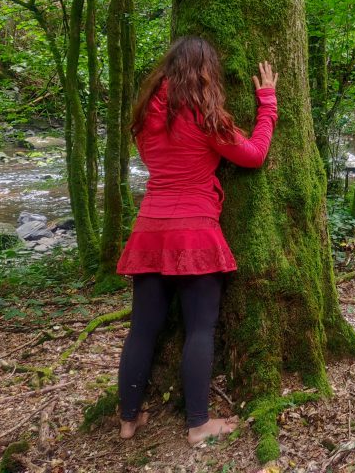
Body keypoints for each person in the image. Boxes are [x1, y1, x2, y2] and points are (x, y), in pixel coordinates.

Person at [114, 36, 278, 445]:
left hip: (150, 230)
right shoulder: (207, 118)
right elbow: (255, 155)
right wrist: (268, 103)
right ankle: (197, 424)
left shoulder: (143, 118)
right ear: (206, 73)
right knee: (200, 329)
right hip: (195, 233)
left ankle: (128, 421)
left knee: (142, 330)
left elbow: (158, 161)